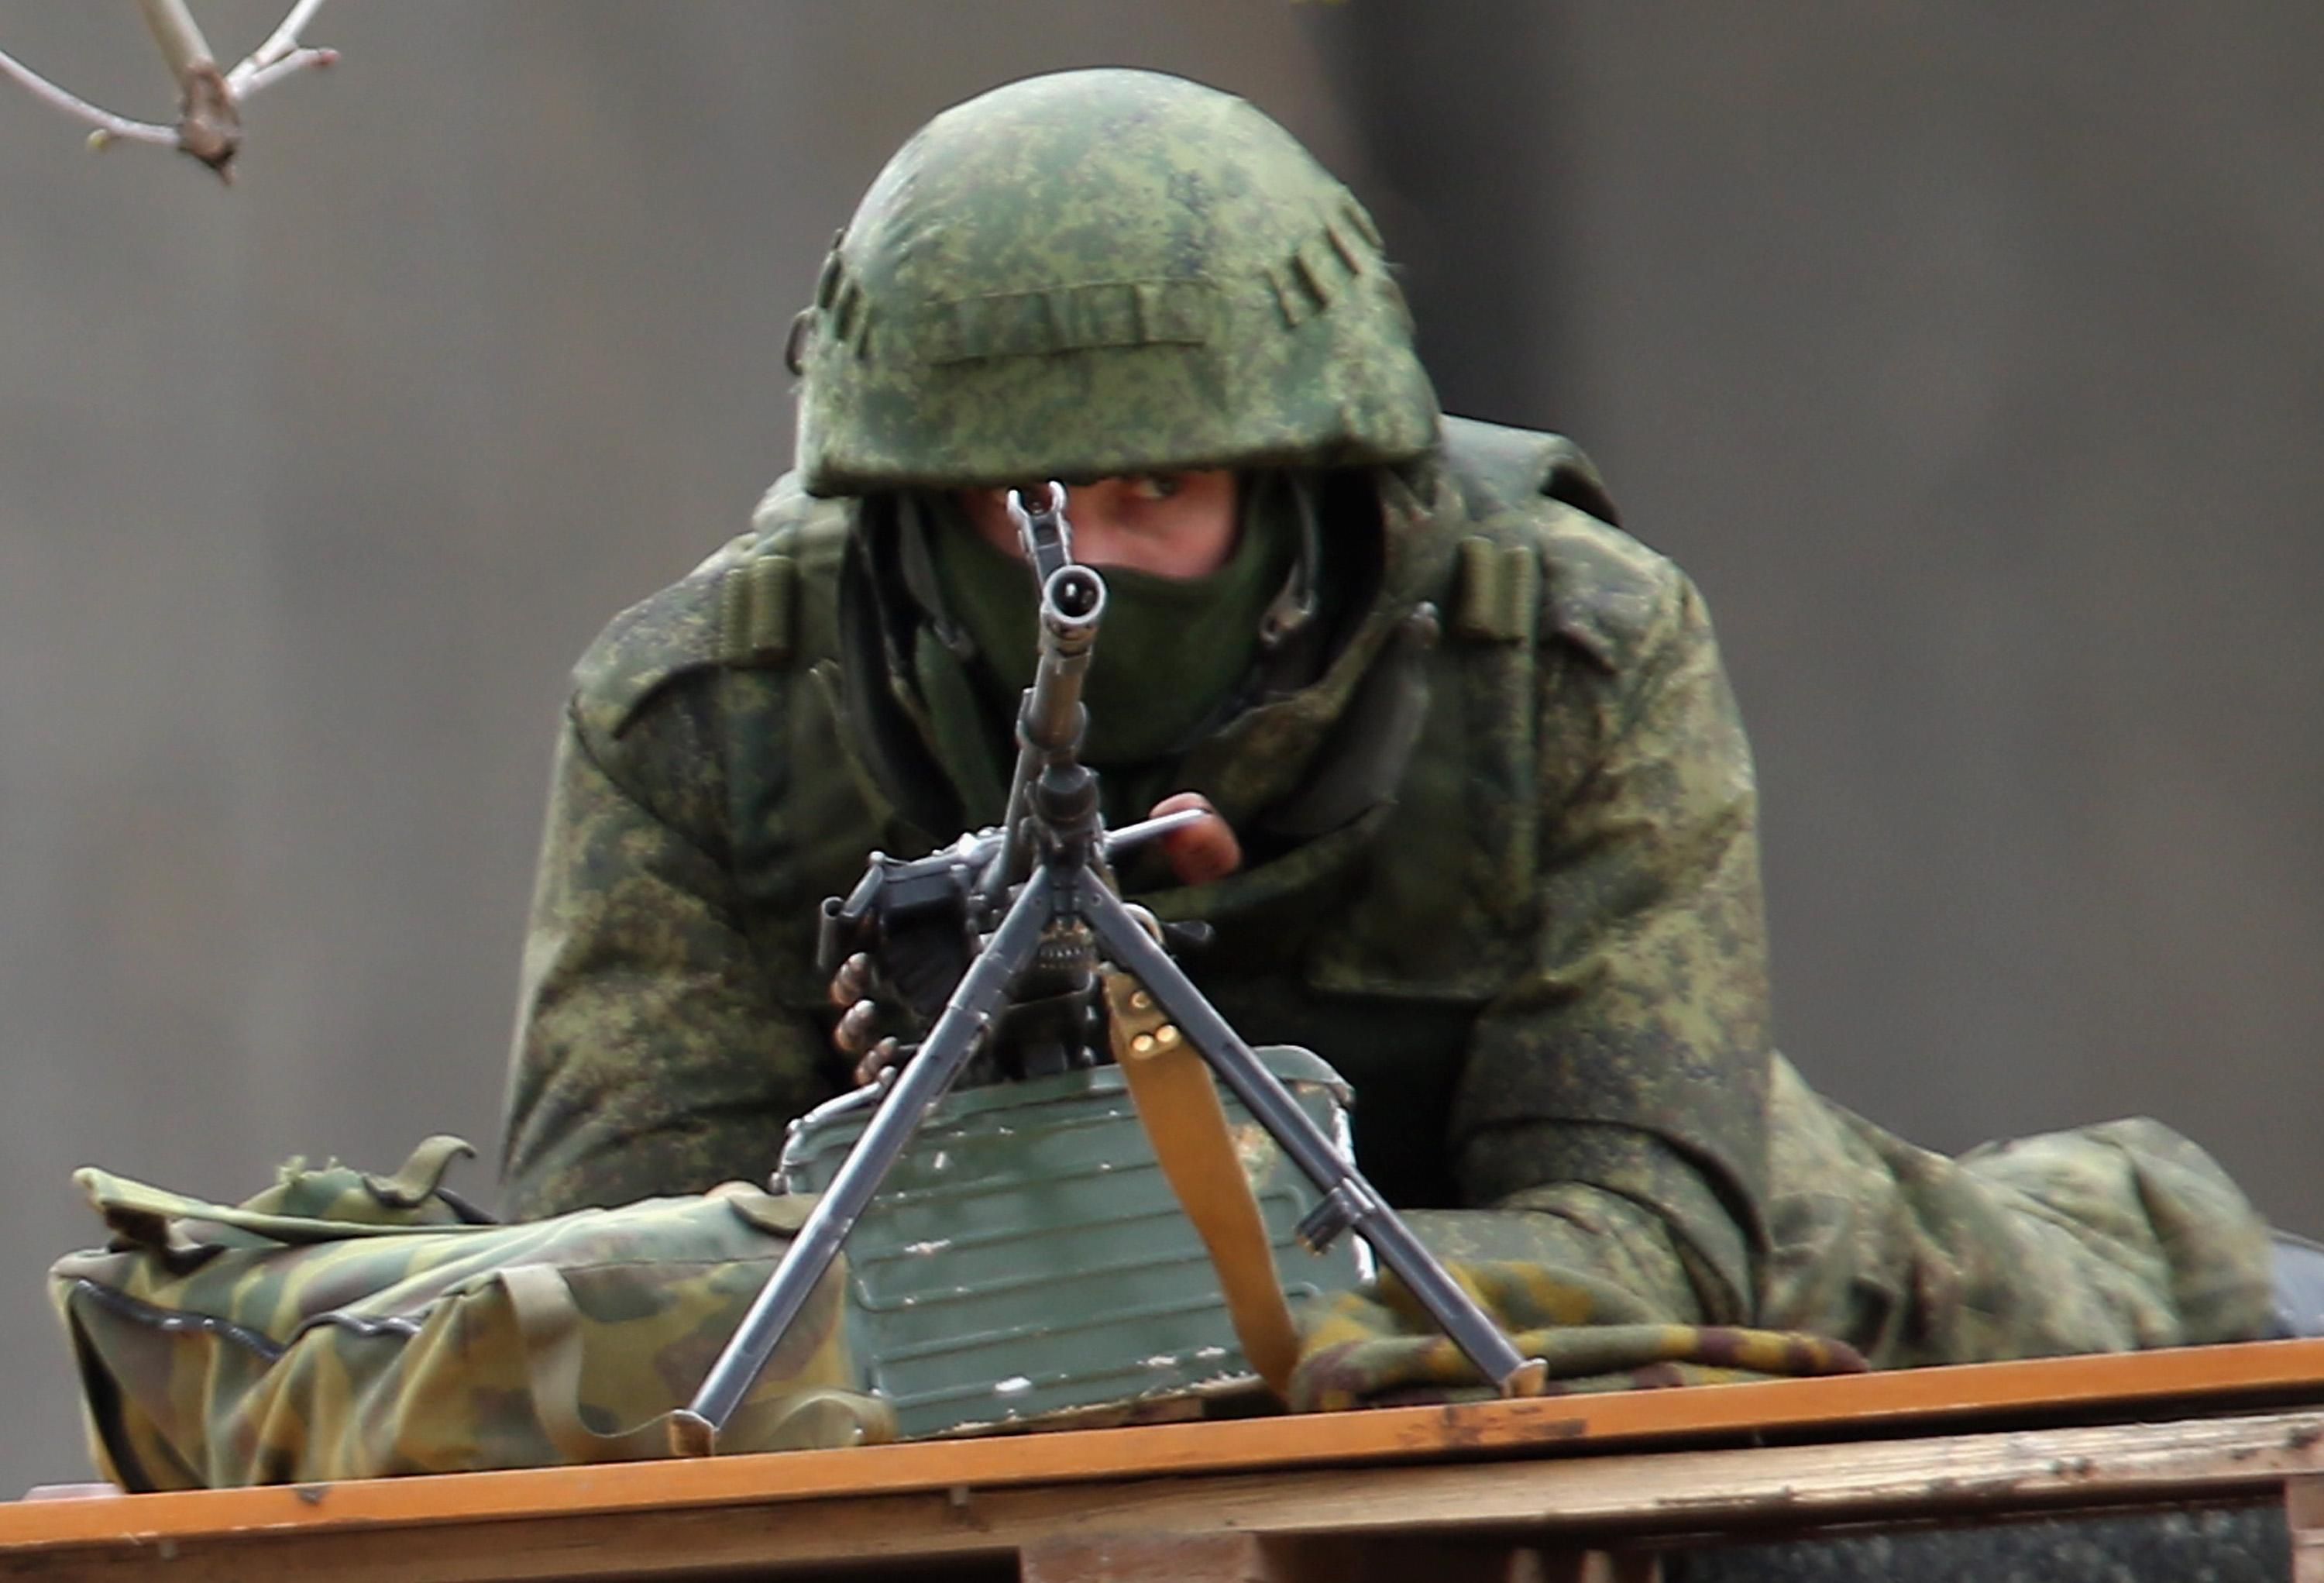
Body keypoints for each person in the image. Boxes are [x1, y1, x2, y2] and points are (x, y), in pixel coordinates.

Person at [500, 67, 2289, 1367]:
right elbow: (615, 1286)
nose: (1086, 570)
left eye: (1150, 493)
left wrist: (1165, 1305)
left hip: (1513, 1201)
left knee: (1980, 1293)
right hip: (956, 1299)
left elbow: (1647, 1234)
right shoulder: (701, 715)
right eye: (1013, 507)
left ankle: (2226, 1262)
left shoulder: (1563, 651)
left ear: (1298, 486)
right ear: (900, 502)